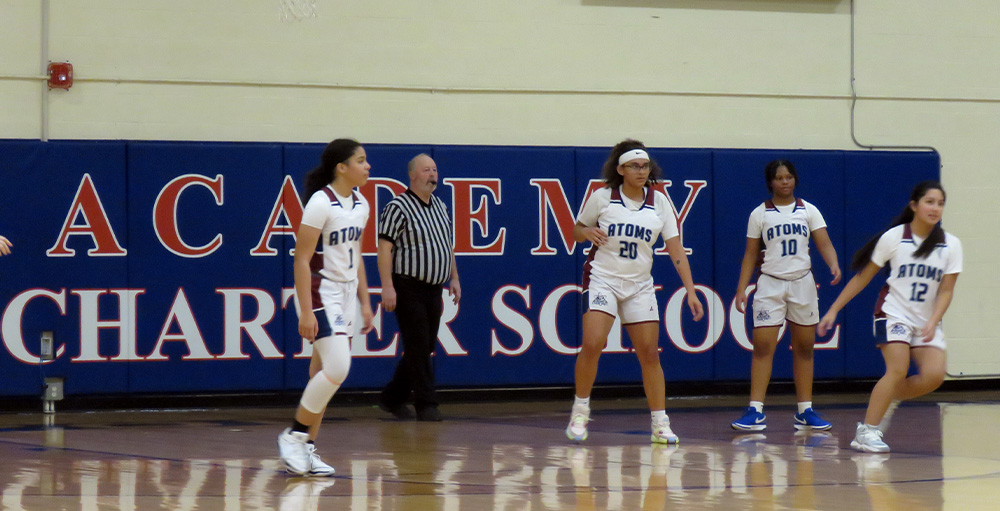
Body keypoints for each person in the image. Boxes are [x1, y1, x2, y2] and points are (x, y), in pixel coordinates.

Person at [566, 139, 705, 444]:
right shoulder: (602, 198)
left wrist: (691, 291)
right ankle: (580, 410)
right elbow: (576, 230)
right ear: (620, 169)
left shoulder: (660, 203)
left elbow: (676, 249)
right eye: (635, 166)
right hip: (603, 278)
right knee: (593, 342)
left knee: (649, 354)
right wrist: (586, 232)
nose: (642, 171)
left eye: (645, 166)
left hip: (639, 284)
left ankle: (659, 422)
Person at [818, 181, 961, 453]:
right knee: (897, 369)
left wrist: (933, 321)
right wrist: (834, 308)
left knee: (934, 376)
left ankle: (886, 398)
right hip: (892, 313)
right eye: (929, 201)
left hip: (926, 320)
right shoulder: (895, 237)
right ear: (914, 206)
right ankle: (867, 431)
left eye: (940, 203)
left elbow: (946, 291)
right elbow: (863, 278)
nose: (935, 208)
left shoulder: (950, 245)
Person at [277, 138, 374, 476]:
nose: (368, 166)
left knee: (321, 375)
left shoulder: (362, 203)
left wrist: (365, 301)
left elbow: (357, 254)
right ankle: (294, 435)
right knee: (337, 368)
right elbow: (301, 259)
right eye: (361, 160)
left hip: (347, 293)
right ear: (341, 167)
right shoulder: (320, 203)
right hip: (323, 291)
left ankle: (306, 451)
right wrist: (305, 311)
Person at [730, 160, 842, 432]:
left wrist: (833, 263)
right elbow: (750, 254)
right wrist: (741, 288)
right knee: (763, 347)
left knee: (804, 348)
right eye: (779, 178)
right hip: (770, 284)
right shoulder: (759, 214)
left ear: (795, 180)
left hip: (802, 283)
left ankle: (805, 411)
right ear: (771, 182)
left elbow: (823, 242)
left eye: (789, 177)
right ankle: (755, 410)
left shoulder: (809, 210)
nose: (784, 182)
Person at [377, 153, 460, 422]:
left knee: (422, 347)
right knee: (418, 343)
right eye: (426, 170)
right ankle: (426, 403)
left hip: (435, 288)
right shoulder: (398, 207)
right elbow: (384, 248)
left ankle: (392, 397)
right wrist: (387, 286)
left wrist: (454, 278)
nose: (432, 175)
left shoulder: (441, 207)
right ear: (412, 175)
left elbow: (448, 246)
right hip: (407, 286)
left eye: (435, 170)